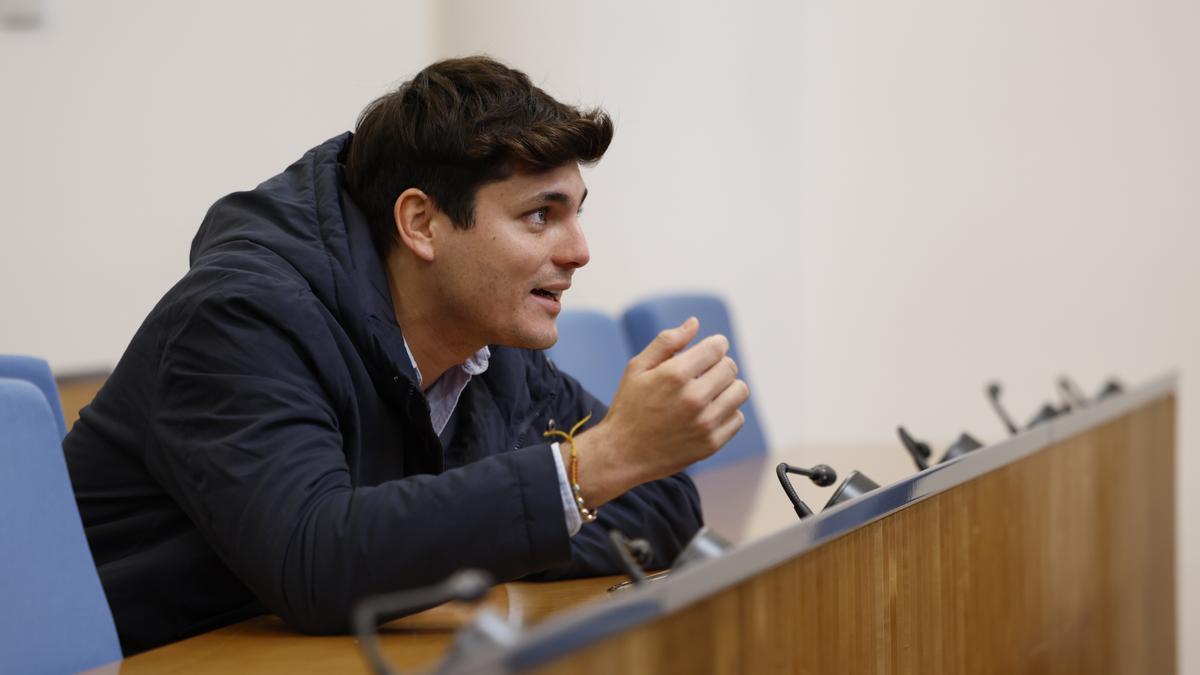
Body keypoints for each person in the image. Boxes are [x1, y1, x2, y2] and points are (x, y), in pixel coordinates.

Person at [64, 56, 750, 655]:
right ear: (421, 222)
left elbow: (661, 506)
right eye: (541, 215)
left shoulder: (487, 342)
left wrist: (458, 532)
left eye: (577, 211)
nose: (579, 250)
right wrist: (585, 471)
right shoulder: (239, 319)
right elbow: (316, 561)